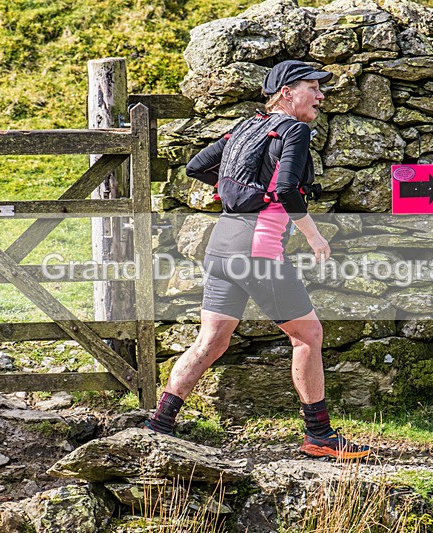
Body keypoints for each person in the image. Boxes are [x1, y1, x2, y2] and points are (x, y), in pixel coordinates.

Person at [146, 60, 371, 460]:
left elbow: (196, 166)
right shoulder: (295, 129)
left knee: (211, 340)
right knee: (308, 335)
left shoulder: (245, 126)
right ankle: (319, 435)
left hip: (222, 244)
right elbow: (286, 189)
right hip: (258, 250)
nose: (321, 96)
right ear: (286, 92)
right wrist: (314, 236)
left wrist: (242, 192)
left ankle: (158, 424)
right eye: (313, 88)